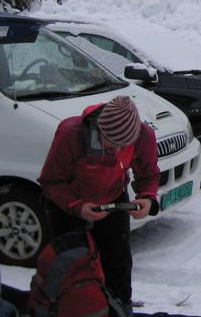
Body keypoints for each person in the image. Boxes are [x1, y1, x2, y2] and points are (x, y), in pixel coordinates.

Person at [39, 95, 160, 305]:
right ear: (99, 129)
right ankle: (71, 316)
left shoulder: (143, 136)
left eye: (123, 145)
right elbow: (51, 181)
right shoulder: (72, 134)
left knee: (118, 266)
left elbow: (148, 174)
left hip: (113, 199)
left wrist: (147, 197)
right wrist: (78, 207)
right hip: (67, 206)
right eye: (111, 143)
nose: (116, 150)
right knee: (71, 265)